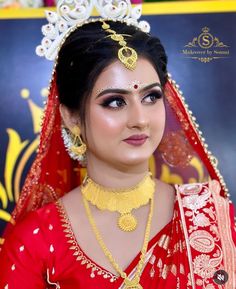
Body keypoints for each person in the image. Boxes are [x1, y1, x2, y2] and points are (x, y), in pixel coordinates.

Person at [0, 1, 235, 288]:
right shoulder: (36, 240)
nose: (140, 120)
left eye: (151, 97)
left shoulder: (209, 217)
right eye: (115, 101)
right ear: (72, 117)